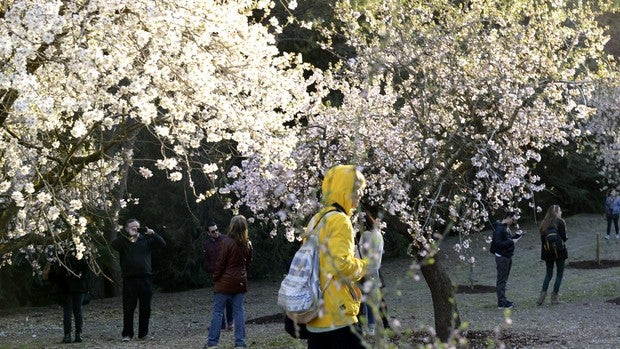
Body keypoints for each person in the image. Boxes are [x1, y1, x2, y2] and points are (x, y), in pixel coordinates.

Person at [305, 165, 368, 349]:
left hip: (314, 313)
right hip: (338, 313)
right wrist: (364, 266)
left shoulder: (316, 220)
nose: (361, 194)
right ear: (345, 190)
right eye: (357, 189)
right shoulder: (340, 220)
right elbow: (341, 265)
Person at [111, 218, 166, 341]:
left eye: (137, 227)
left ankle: (143, 334)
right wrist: (126, 235)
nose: (135, 229)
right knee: (128, 308)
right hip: (129, 279)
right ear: (127, 229)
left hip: (145, 278)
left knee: (146, 308)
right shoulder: (123, 242)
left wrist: (153, 233)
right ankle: (127, 334)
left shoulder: (146, 240)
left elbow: (162, 244)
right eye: (132, 227)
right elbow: (114, 245)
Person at [205, 215, 253, 349]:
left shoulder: (226, 242)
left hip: (224, 282)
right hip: (240, 282)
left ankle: (212, 343)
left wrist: (216, 277)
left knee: (217, 312)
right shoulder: (247, 243)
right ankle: (240, 343)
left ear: (232, 226)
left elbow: (220, 263)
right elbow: (248, 263)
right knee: (239, 312)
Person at [45, 251, 89, 343]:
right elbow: (85, 269)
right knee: (78, 310)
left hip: (65, 286)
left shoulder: (60, 254)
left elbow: (55, 273)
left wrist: (55, 282)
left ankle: (67, 335)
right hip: (78, 284)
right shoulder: (80, 252)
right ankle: (78, 334)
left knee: (68, 311)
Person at [357, 212, 389, 336]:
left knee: (362, 299)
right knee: (379, 299)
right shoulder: (379, 234)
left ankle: (362, 327)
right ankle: (384, 325)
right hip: (376, 269)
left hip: (365, 269)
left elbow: (361, 251)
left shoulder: (365, 235)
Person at [203, 220, 233, 331]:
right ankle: (221, 324)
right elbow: (206, 259)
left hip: (227, 274)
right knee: (218, 301)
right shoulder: (207, 244)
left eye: (216, 230)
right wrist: (210, 269)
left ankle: (230, 322)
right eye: (213, 231)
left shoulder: (225, 240)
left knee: (229, 300)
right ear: (208, 233)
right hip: (216, 275)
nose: (215, 232)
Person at [536, 205, 568, 305]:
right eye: (560, 210)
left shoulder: (543, 223)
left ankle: (542, 296)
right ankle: (554, 298)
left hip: (547, 252)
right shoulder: (560, 222)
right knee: (559, 274)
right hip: (560, 252)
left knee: (548, 274)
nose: (561, 212)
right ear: (556, 212)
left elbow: (542, 240)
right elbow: (563, 238)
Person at [490, 211, 520, 309]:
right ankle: (501, 303)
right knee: (501, 280)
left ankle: (503, 300)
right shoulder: (499, 228)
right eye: (512, 219)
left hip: (507, 256)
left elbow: (506, 239)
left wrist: (516, 236)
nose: (513, 222)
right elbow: (497, 244)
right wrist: (512, 241)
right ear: (508, 217)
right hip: (502, 257)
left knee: (504, 279)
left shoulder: (504, 227)